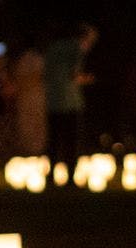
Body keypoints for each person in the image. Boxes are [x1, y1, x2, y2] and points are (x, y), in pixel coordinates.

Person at [45, 25, 96, 164]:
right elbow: (75, 75)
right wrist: (89, 79)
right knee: (71, 141)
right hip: (70, 102)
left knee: (54, 140)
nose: (90, 46)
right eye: (90, 41)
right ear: (83, 37)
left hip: (52, 101)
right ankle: (71, 173)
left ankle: (51, 172)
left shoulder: (53, 47)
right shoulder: (76, 49)